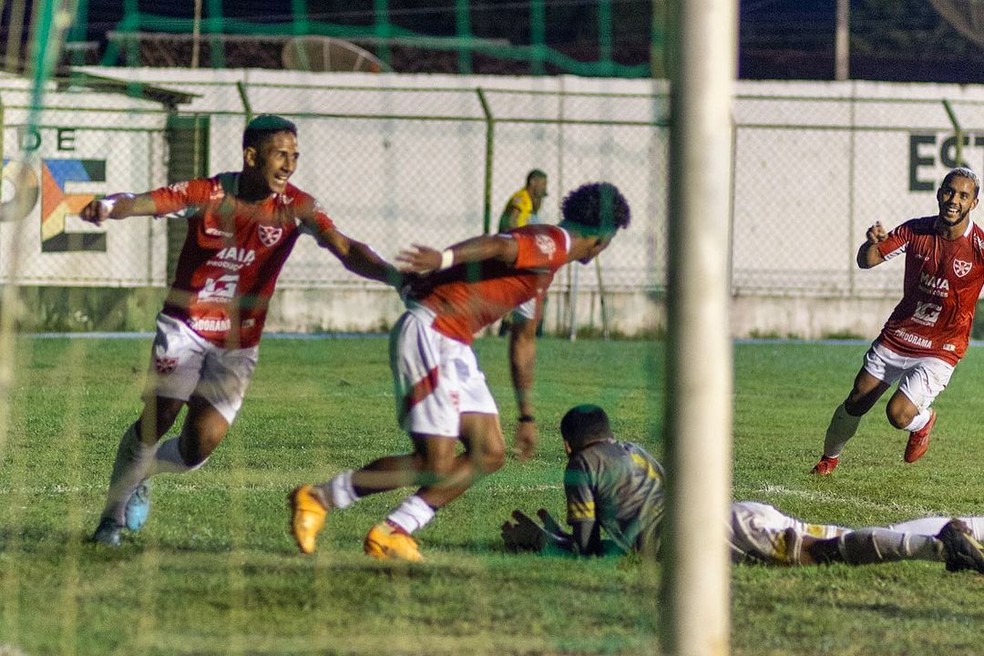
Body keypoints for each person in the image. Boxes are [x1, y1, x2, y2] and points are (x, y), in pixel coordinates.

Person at [81, 114, 405, 547]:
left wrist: (397, 277)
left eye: (294, 156)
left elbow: (345, 248)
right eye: (280, 154)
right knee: (161, 413)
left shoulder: (297, 207)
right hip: (186, 326)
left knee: (199, 448)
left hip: (238, 343)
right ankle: (111, 520)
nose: (289, 165)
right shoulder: (209, 193)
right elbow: (146, 201)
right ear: (252, 156)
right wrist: (108, 206)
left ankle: (144, 473)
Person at [288, 182, 632, 562]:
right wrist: (445, 258)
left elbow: (523, 341)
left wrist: (527, 415)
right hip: (431, 334)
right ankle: (319, 497)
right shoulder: (553, 242)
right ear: (603, 240)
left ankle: (393, 531)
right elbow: (500, 244)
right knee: (434, 462)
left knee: (489, 452)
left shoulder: (544, 269)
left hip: (456, 346)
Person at [501, 404, 984, 574]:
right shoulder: (633, 453)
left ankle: (942, 548)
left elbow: (588, 552)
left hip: (719, 534)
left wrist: (548, 543)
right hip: (735, 517)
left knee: (833, 552)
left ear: (568, 445)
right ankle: (961, 530)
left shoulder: (582, 465)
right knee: (846, 537)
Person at [811, 166, 984, 475]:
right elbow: (867, 260)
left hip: (942, 346)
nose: (953, 200)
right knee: (857, 400)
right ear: (938, 194)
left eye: (963, 195)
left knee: (898, 414)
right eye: (948, 191)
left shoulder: (979, 249)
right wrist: (870, 244)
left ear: (974, 203)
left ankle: (924, 421)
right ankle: (828, 459)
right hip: (899, 334)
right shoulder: (915, 231)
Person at [497, 169, 549, 338]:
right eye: (542, 184)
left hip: (525, 252)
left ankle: (529, 327)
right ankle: (521, 329)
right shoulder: (522, 199)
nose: (543, 190)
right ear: (532, 182)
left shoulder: (532, 206)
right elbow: (512, 221)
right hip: (516, 251)